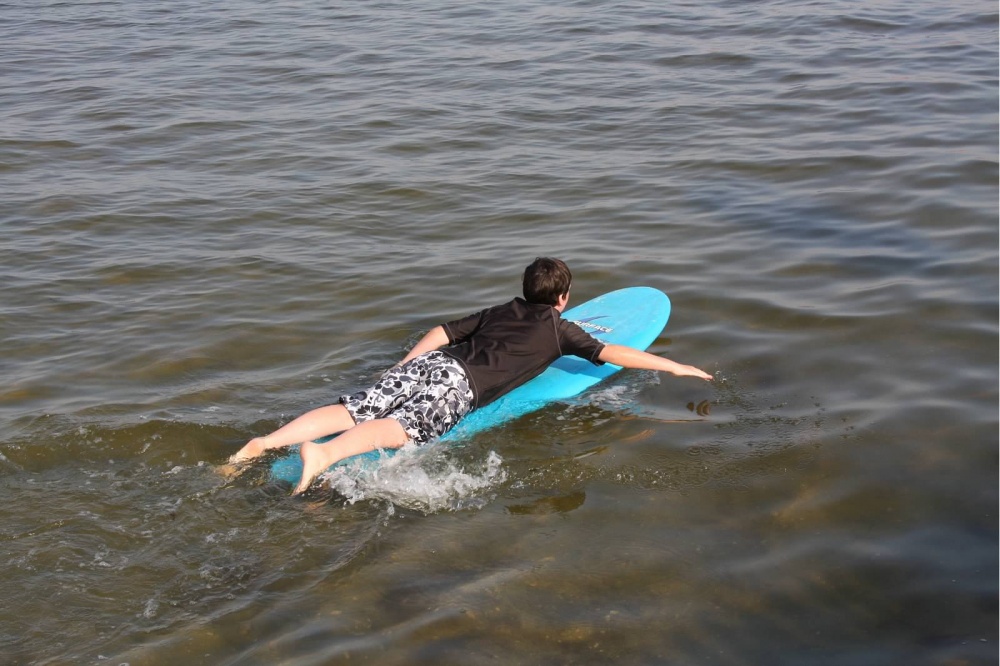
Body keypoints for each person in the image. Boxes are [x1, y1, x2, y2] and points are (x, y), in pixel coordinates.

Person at [231, 258, 712, 494]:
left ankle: (264, 443)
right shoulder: (559, 331)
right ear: (563, 299)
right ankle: (324, 454)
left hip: (431, 365)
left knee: (355, 408)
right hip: (460, 386)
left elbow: (441, 331)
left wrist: (402, 367)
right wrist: (675, 365)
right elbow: (613, 352)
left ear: (525, 290)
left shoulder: (504, 309)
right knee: (402, 428)